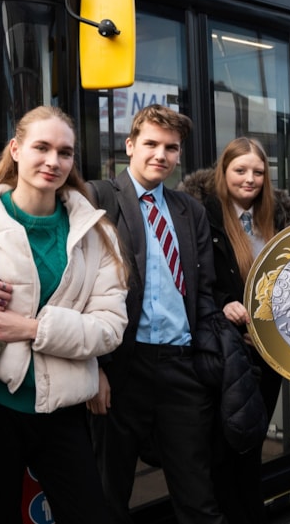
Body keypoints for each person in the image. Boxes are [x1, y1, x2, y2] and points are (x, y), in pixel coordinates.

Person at [0, 106, 128, 524]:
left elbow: (110, 328)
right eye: (41, 147)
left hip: (65, 411)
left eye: (64, 152)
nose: (53, 161)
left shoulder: (95, 233)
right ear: (16, 150)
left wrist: (30, 328)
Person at [86, 104, 227, 524]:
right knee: (108, 494)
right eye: (150, 144)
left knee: (198, 495)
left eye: (171, 147)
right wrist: (95, 368)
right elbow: (80, 290)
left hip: (181, 368)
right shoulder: (99, 198)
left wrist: (206, 357)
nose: (160, 155)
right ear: (130, 145)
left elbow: (203, 291)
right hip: (122, 367)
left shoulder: (189, 210)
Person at [178, 137, 290, 524]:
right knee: (223, 449)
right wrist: (223, 305)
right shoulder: (201, 214)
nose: (249, 179)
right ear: (223, 171)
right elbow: (193, 279)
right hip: (225, 352)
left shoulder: (280, 219)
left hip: (268, 354)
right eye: (240, 170)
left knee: (252, 445)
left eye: (258, 172)